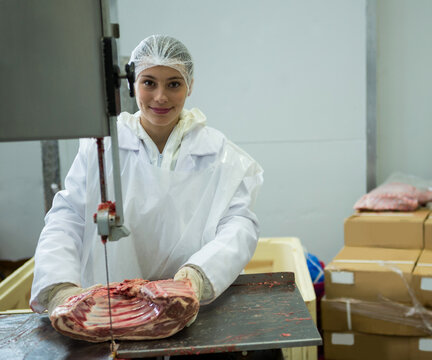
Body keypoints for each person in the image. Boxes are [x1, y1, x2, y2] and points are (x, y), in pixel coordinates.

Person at [30, 35, 264, 325]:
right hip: (107, 312)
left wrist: (199, 275)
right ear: (132, 84)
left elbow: (239, 225)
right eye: (149, 82)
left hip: (192, 312)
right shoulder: (103, 146)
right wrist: (58, 284)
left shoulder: (220, 155)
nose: (160, 97)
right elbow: (68, 217)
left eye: (174, 84)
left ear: (190, 86)